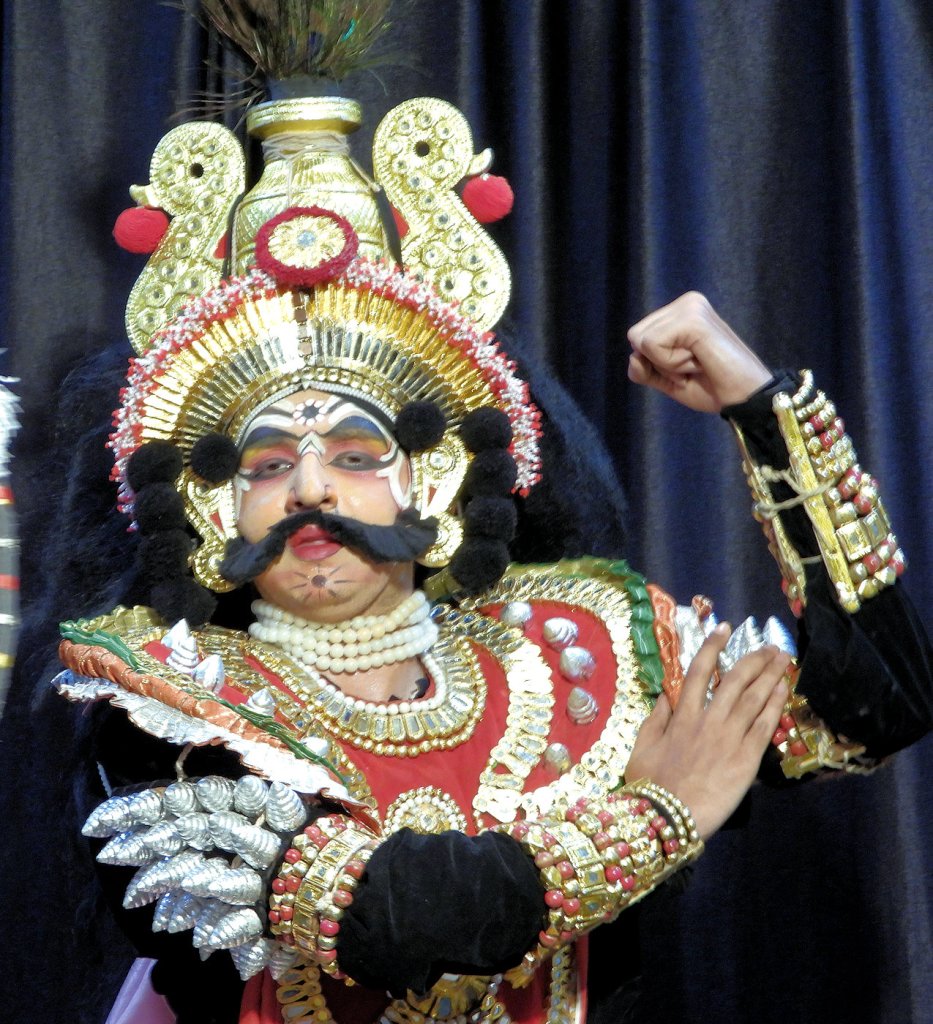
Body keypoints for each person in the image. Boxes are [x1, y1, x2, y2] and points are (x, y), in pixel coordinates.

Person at [48, 12, 932, 1024]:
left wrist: (765, 412)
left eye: (355, 455)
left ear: (430, 480)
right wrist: (663, 812)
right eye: (268, 463)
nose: (311, 490)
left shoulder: (576, 656)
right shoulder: (168, 702)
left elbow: (871, 707)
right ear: (214, 505)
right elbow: (401, 920)